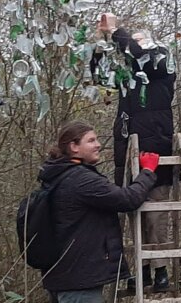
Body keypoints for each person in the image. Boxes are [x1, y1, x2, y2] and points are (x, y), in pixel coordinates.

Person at [97, 13, 176, 291]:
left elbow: (140, 54)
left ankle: (161, 271)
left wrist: (117, 31)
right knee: (135, 217)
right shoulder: (128, 76)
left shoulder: (162, 64)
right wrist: (101, 44)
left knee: (156, 217)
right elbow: (99, 76)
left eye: (141, 42)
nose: (135, 46)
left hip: (155, 152)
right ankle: (142, 272)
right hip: (127, 154)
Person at [39, 120, 159, 303]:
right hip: (79, 282)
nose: (98, 145)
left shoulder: (58, 175)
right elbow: (128, 199)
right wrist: (148, 171)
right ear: (74, 147)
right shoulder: (80, 179)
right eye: (91, 140)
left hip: (64, 277)